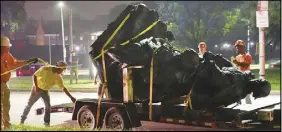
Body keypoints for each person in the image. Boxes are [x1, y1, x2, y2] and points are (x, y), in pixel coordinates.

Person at [20, 61, 76, 127]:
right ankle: (22, 120)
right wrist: (36, 87)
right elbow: (35, 75)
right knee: (29, 104)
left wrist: (71, 97)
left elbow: (63, 88)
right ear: (59, 68)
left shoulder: (58, 77)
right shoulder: (45, 69)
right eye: (62, 70)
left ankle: (46, 123)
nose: (62, 72)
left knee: (48, 106)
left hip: (45, 91)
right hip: (36, 90)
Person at [1, 36, 38, 130]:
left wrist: (28, 62)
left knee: (6, 105)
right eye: (7, 47)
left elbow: (15, 64)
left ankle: (6, 125)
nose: (9, 48)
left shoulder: (7, 55)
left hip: (4, 84)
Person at [232, 40, 253, 104]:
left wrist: (236, 62)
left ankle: (249, 106)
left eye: (237, 47)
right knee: (237, 92)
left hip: (245, 77)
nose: (236, 48)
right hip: (238, 77)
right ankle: (238, 104)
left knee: (246, 93)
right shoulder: (237, 57)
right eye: (236, 47)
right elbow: (237, 67)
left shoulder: (248, 56)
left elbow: (246, 65)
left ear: (242, 47)